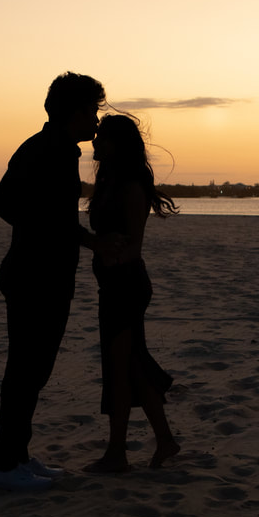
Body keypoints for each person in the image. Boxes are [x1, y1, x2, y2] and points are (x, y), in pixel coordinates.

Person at [0, 72, 110, 492]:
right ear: (73, 111)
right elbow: (6, 203)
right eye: (93, 111)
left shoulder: (59, 149)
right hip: (34, 275)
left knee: (34, 370)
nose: (96, 120)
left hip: (48, 274)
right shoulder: (44, 149)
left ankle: (17, 455)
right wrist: (52, 236)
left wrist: (77, 239)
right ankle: (2, 464)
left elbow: (56, 217)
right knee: (25, 369)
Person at [85, 114, 180, 473]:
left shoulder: (130, 187)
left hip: (125, 285)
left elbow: (135, 245)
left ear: (118, 144)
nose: (95, 144)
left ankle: (117, 454)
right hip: (112, 285)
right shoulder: (109, 182)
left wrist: (107, 255)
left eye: (102, 139)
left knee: (122, 368)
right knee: (130, 367)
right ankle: (163, 442)